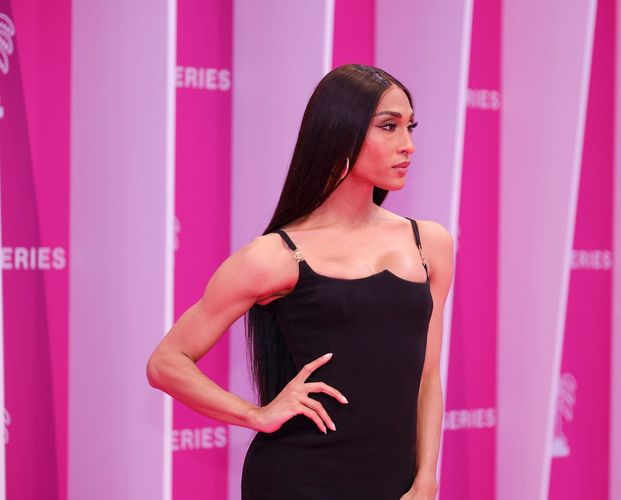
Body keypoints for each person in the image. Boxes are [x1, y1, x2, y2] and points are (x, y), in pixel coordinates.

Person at [147, 64, 454, 499]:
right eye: (389, 127)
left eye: (410, 127)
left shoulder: (430, 244)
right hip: (298, 480)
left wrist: (426, 478)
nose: (408, 145)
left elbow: (427, 377)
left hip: (396, 484)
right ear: (340, 132)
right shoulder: (274, 256)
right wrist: (255, 415)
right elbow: (165, 362)